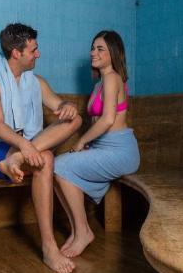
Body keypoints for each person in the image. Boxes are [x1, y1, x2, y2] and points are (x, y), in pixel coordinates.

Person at [0, 23, 82, 273]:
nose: (38, 54)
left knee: (73, 121)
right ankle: (50, 247)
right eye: (33, 50)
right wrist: (24, 145)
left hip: (18, 149)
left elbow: (59, 105)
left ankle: (48, 246)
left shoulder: (36, 82)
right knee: (45, 158)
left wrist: (67, 105)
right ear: (16, 53)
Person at [53, 30, 140, 258]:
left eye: (100, 49)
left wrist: (82, 141)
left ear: (114, 53)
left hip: (120, 151)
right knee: (55, 169)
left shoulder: (112, 78)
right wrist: (90, 145)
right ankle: (78, 230)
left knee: (59, 166)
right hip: (103, 148)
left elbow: (108, 119)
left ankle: (83, 232)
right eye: (93, 48)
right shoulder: (99, 84)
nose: (93, 52)